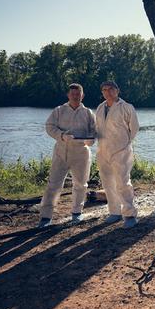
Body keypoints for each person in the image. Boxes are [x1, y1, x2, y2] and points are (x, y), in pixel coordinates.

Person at [38, 83, 96, 228]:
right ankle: (45, 217)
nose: (75, 96)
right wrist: (62, 136)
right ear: (68, 95)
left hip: (81, 153)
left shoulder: (88, 113)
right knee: (53, 184)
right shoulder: (59, 110)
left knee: (81, 184)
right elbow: (49, 127)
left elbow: (94, 131)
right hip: (61, 152)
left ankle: (77, 212)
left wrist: (91, 139)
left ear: (82, 96)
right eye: (73, 94)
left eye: (78, 94)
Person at [95, 81, 140, 229]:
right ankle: (114, 212)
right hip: (103, 151)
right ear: (102, 92)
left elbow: (134, 128)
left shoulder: (126, 107)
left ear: (117, 90)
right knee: (107, 182)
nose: (107, 92)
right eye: (104, 89)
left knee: (123, 183)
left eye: (111, 89)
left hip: (121, 151)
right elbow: (98, 129)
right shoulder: (100, 108)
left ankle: (129, 214)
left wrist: (124, 144)